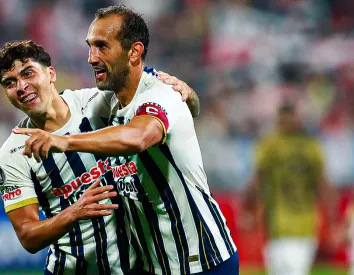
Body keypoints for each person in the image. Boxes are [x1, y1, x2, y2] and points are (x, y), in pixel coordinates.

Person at [13, 5, 238, 274]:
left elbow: (139, 136)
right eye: (90, 47)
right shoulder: (105, 103)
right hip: (155, 266)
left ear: (134, 51)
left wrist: (65, 142)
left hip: (204, 260)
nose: (91, 57)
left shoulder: (160, 94)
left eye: (102, 46)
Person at [0, 40, 199, 274]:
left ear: (51, 74)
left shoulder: (97, 103)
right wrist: (74, 212)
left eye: (28, 74)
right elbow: (28, 237)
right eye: (10, 83)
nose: (21, 86)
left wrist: (187, 95)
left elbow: (161, 99)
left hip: (137, 267)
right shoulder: (14, 153)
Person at [242, 102, 336, 275]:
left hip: (282, 225)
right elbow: (324, 185)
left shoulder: (270, 145)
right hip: (298, 225)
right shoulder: (311, 147)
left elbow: (256, 179)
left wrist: (246, 210)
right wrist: (333, 221)